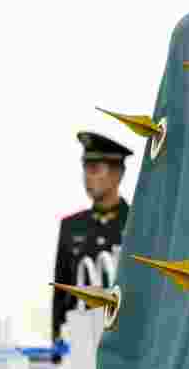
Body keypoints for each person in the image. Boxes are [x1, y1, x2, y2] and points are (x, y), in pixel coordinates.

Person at [52, 131, 133, 346]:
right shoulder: (71, 227)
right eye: (85, 168)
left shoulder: (136, 224)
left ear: (118, 174)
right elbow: (61, 298)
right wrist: (57, 348)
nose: (88, 176)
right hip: (81, 342)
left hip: (123, 341)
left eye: (95, 169)